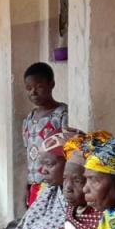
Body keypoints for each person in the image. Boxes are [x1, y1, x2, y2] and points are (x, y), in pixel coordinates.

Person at [21, 62, 68, 208]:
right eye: (29, 88)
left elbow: (69, 153)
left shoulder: (62, 114)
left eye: (39, 87)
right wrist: (27, 185)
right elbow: (29, 155)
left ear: (51, 84)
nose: (33, 92)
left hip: (55, 186)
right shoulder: (28, 119)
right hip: (34, 185)